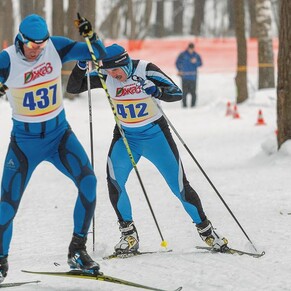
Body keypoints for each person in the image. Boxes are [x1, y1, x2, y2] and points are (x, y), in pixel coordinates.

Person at [66, 43, 228, 256]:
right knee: (114, 182)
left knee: (179, 186)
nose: (113, 75)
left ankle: (207, 231)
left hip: (156, 136)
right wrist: (80, 66)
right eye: (107, 71)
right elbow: (74, 87)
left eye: (115, 70)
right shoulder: (106, 75)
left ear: (125, 64)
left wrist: (156, 90)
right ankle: (129, 235)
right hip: (125, 137)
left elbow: (176, 93)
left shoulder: (145, 69)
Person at [0, 14, 106, 282]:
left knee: (89, 182)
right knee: (6, 207)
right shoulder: (7, 59)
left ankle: (77, 250)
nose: (38, 50)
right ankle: (1, 260)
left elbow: (99, 54)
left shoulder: (55, 47)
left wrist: (91, 36)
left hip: (59, 136)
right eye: (32, 45)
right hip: (25, 143)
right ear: (20, 40)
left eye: (42, 44)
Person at [175, 42, 202, 108]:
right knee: (184, 92)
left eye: (192, 49)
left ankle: (193, 106)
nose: (191, 50)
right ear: (188, 48)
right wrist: (180, 70)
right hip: (184, 77)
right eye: (190, 49)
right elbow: (177, 62)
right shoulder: (182, 54)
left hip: (193, 77)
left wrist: (196, 62)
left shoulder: (196, 55)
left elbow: (200, 63)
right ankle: (184, 106)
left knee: (193, 92)